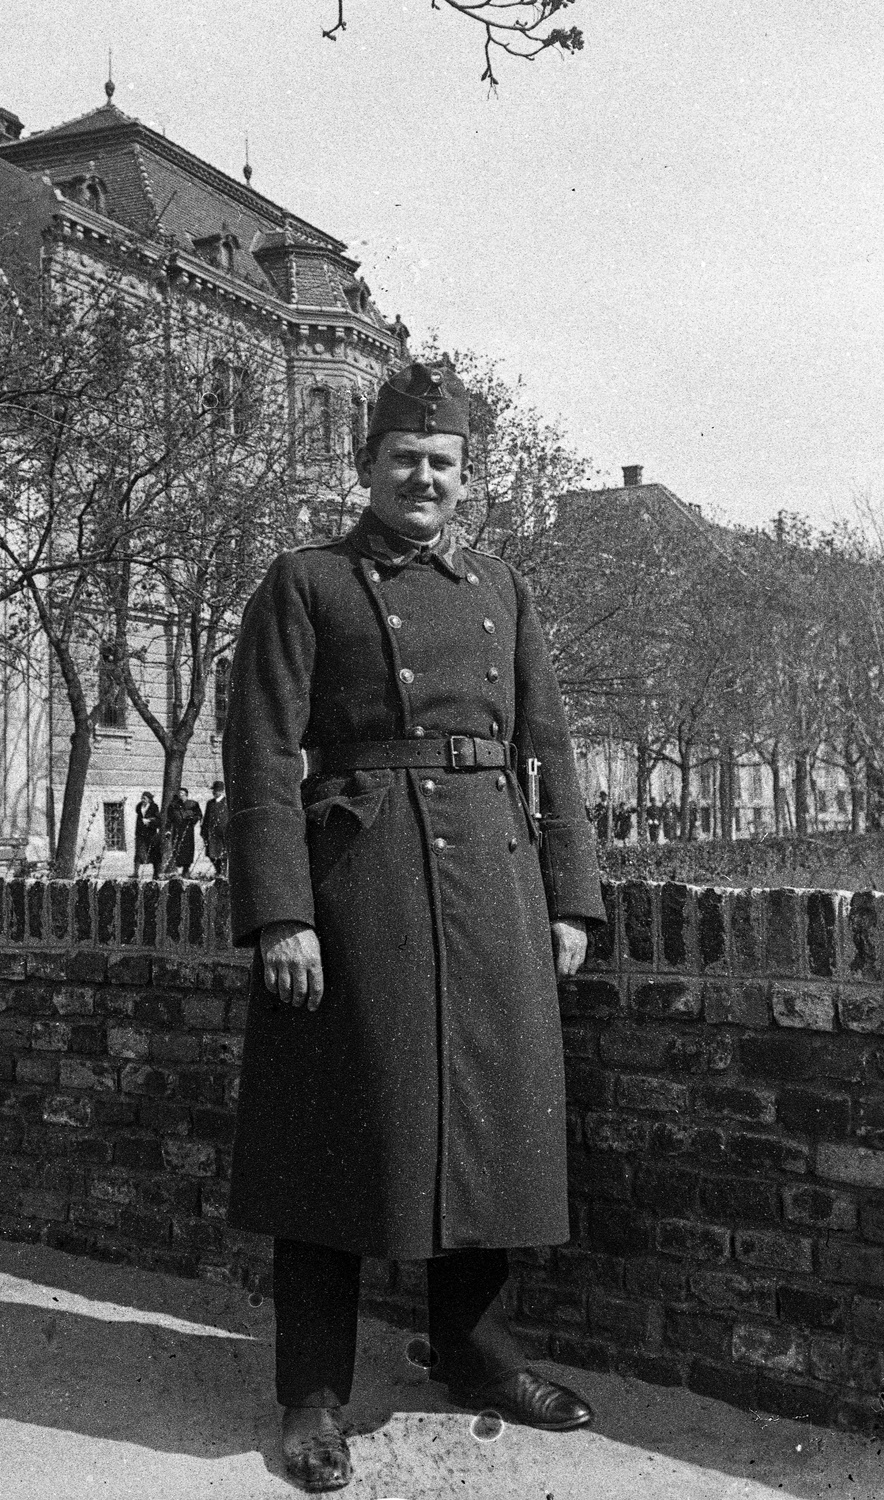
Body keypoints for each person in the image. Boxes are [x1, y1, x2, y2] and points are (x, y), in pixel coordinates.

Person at [223, 360, 605, 1491]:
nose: (424, 477)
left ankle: (480, 1355)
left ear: (468, 478)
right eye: (405, 460)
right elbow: (259, 751)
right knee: (334, 1131)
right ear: (368, 468)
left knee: (489, 1112)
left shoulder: (503, 587)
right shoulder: (306, 582)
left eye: (443, 463)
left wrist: (571, 896)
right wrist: (281, 912)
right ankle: (311, 1395)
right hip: (360, 877)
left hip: (493, 871)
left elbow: (552, 747)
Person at [165, 787, 200, 877]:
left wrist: (193, 819)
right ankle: (175, 869)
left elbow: (199, 815)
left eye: (182, 794)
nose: (180, 795)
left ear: (186, 795)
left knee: (187, 851)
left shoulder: (193, 804)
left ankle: (186, 870)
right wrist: (168, 831)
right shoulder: (173, 806)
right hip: (177, 831)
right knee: (177, 849)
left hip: (188, 831)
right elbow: (169, 820)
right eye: (179, 793)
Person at [201, 780, 229, 876]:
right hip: (211, 833)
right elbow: (206, 818)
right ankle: (218, 871)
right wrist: (203, 831)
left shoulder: (226, 803)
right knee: (211, 854)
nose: (214, 792)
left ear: (221, 791)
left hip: (222, 833)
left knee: (223, 855)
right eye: (214, 790)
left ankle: (223, 873)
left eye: (216, 790)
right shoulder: (210, 803)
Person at [133, 792, 160, 876]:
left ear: (149, 799)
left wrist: (149, 821)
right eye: (142, 798)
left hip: (151, 833)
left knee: (154, 853)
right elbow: (138, 820)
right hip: (140, 833)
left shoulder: (154, 807)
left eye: (144, 798)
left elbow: (158, 819)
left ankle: (156, 873)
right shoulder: (139, 807)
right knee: (138, 853)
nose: (142, 800)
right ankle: (135, 872)